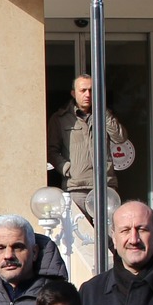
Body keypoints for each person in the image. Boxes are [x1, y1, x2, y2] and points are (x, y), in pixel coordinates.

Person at [48, 75, 129, 225]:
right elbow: (51, 151)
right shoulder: (60, 119)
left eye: (92, 90)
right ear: (74, 93)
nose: (88, 94)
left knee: (109, 236)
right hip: (77, 187)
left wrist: (103, 111)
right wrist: (68, 169)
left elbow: (120, 138)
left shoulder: (105, 115)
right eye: (83, 90)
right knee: (78, 232)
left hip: (106, 185)